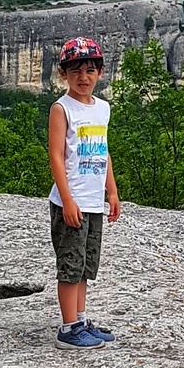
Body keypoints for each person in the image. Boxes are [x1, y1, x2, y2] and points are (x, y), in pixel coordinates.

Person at [47, 37, 121, 350]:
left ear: (101, 73)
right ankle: (68, 329)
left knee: (85, 266)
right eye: (75, 70)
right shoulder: (62, 108)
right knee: (70, 265)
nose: (83, 77)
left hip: (92, 201)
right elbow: (55, 155)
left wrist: (112, 193)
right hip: (72, 200)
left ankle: (80, 318)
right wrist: (67, 200)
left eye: (90, 70)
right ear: (64, 74)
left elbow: (103, 152)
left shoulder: (102, 108)